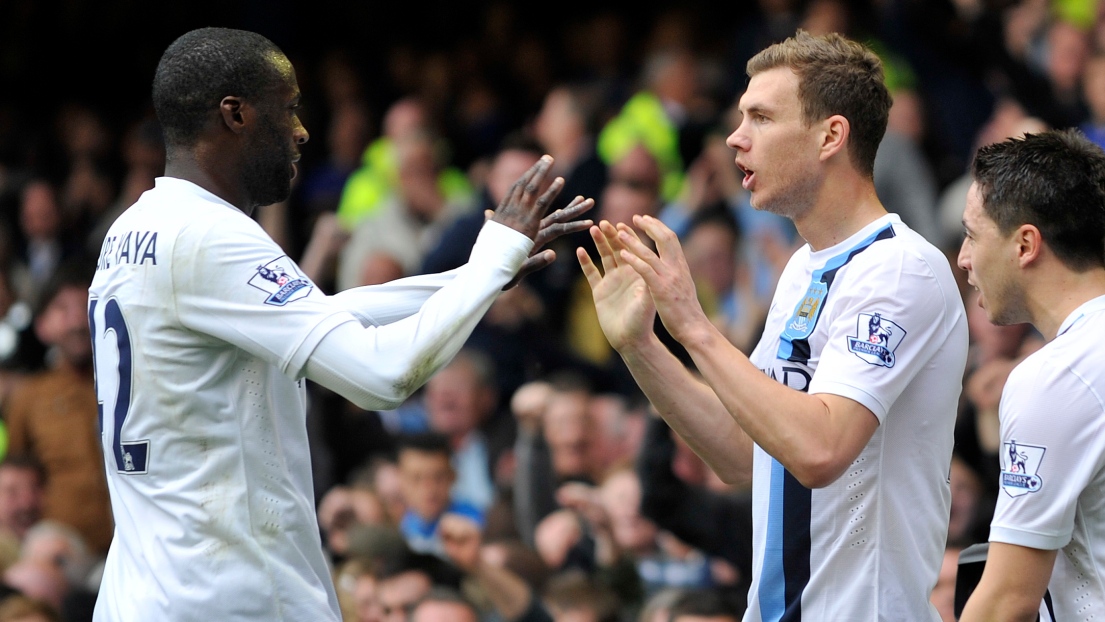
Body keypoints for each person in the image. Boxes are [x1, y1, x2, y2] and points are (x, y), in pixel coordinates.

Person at [86, 27, 591, 621]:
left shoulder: (131, 231)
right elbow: (384, 374)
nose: (301, 129)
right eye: (290, 107)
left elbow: (323, 317)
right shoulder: (211, 237)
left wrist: (479, 275)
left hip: (143, 595)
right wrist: (488, 264)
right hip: (229, 598)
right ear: (235, 114)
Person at [577, 30, 968, 619]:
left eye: (760, 117)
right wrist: (641, 346)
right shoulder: (802, 271)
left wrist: (694, 326)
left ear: (831, 135)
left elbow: (819, 449)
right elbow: (743, 453)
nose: (736, 138)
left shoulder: (899, 268)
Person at [956, 130, 1105, 620]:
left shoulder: (1054, 376)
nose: (963, 259)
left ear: (1025, 244)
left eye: (973, 235)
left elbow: (1005, 603)